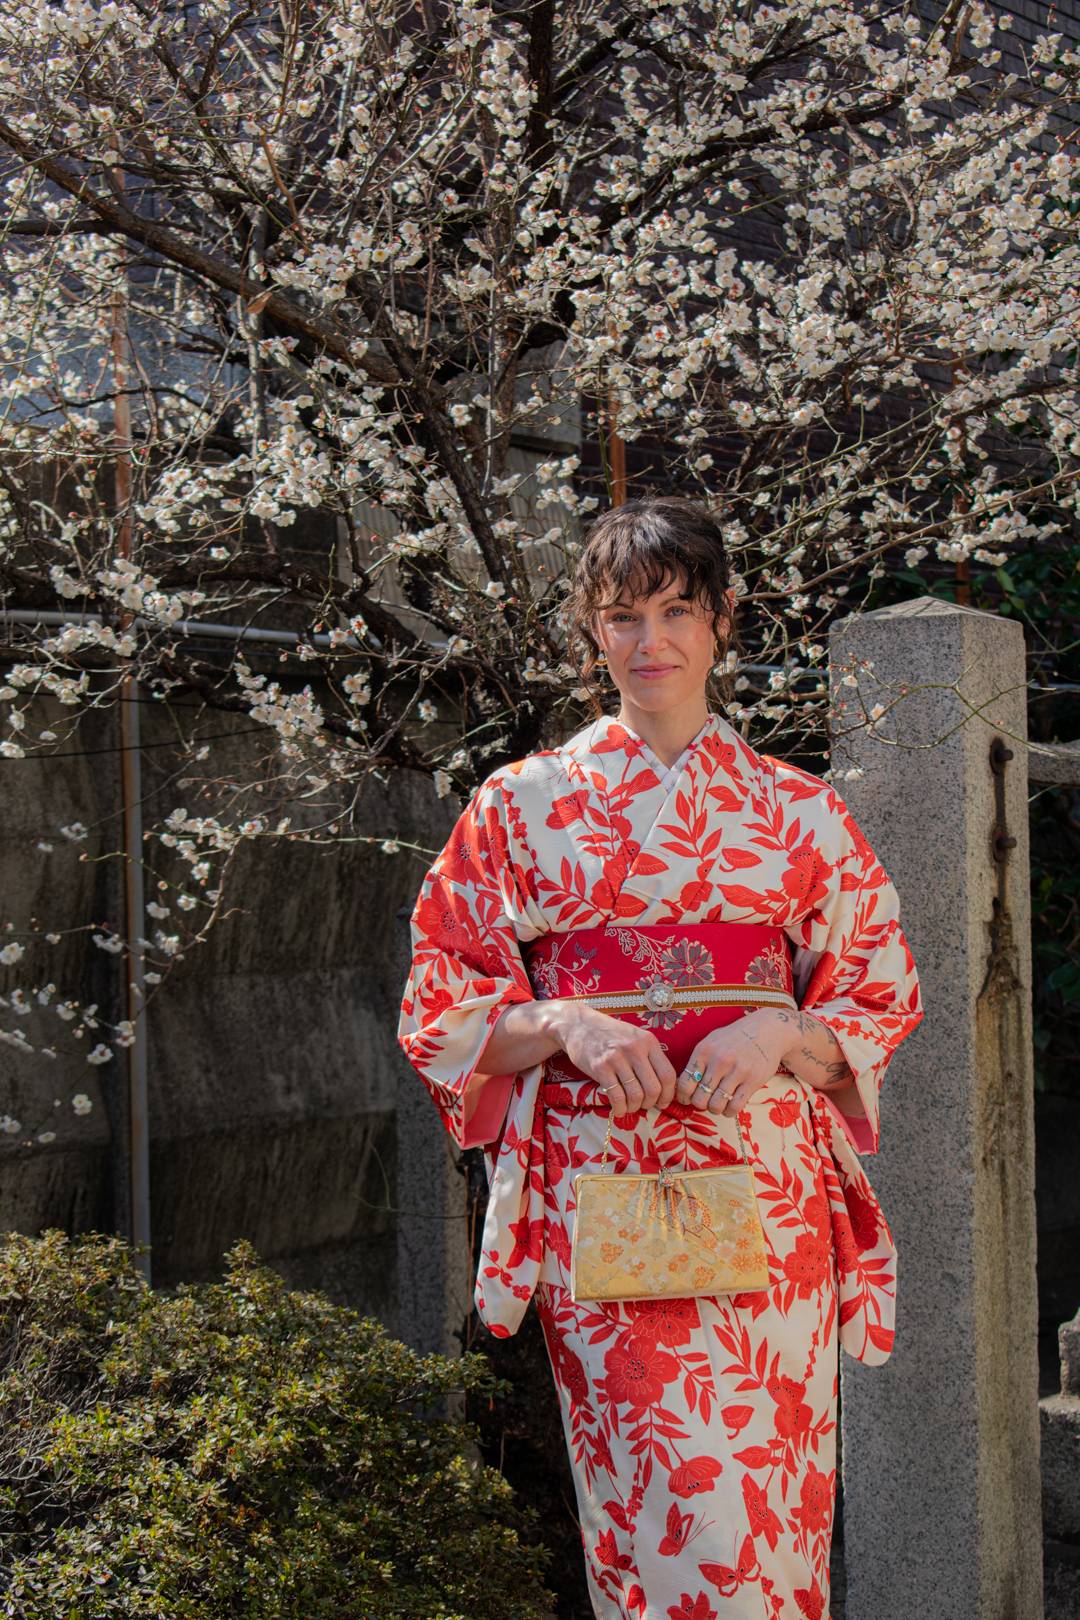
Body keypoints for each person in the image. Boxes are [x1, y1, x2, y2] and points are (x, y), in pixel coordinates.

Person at [398, 495, 924, 1620]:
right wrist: (564, 1023)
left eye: (678, 610)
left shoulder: (801, 812)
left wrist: (780, 1028)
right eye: (623, 617)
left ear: (723, 618)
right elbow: (439, 999)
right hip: (603, 1189)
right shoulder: (520, 806)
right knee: (651, 1498)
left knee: (772, 1496)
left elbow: (880, 989)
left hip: (767, 1187)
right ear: (592, 632)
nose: (652, 642)